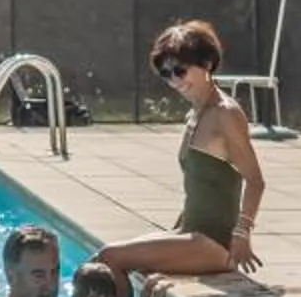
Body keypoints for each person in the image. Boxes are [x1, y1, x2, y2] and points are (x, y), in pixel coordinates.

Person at [87, 19, 265, 283]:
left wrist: (242, 234)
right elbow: (200, 189)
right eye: (166, 74)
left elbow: (255, 180)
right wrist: (171, 236)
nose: (174, 80)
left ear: (207, 63)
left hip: (214, 244)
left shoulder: (225, 114)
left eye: (180, 70)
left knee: (109, 257)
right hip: (191, 234)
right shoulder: (195, 114)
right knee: (105, 263)